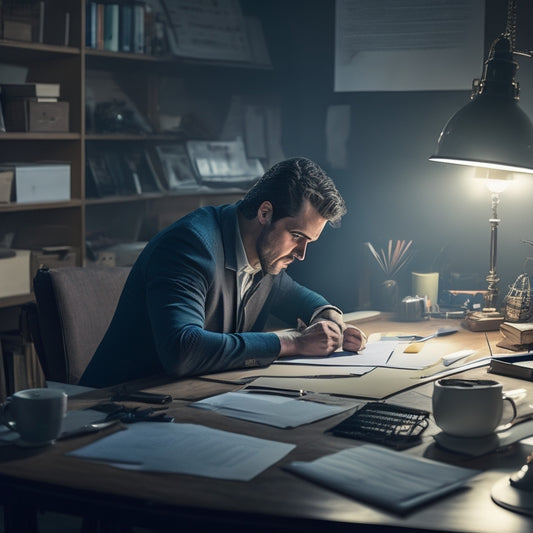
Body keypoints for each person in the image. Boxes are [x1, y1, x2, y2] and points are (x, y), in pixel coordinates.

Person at [79, 157, 366, 388]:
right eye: (296, 236)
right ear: (265, 213)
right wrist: (293, 342)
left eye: (309, 242)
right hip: (113, 409)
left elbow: (303, 299)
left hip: (186, 400)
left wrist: (331, 322)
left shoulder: (265, 256)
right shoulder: (190, 246)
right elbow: (183, 349)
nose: (301, 254)